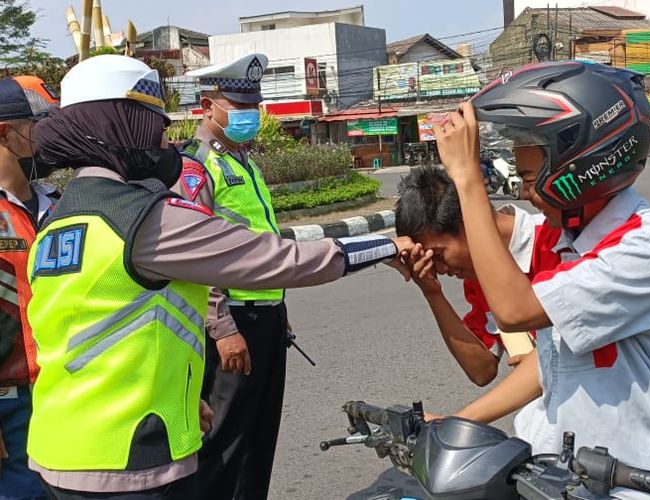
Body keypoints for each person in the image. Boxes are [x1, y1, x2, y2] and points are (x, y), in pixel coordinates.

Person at [25, 54, 412, 500]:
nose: (163, 143)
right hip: (129, 458)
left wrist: (185, 401)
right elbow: (280, 259)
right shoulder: (143, 221)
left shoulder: (59, 216)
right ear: (121, 126)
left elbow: (104, 332)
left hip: (62, 447)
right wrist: (385, 245)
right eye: (153, 129)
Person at [425, 61, 650, 492]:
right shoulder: (565, 239)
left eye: (527, 176)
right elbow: (549, 365)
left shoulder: (645, 246)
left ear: (580, 166)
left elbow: (514, 310)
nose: (522, 193)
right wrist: (460, 422)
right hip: (561, 473)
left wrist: (468, 180)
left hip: (632, 482)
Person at [395, 165, 650, 495]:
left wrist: (460, 422)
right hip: (587, 412)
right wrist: (433, 293)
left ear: (471, 222)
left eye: (439, 254)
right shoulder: (484, 276)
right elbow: (484, 368)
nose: (439, 268)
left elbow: (540, 351)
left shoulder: (562, 242)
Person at [171, 53, 287, 500]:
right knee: (223, 444)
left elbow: (262, 242)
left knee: (260, 438)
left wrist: (280, 308)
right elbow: (197, 254)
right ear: (207, 107)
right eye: (238, 108)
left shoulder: (243, 162)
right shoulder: (197, 166)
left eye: (252, 108)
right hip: (233, 325)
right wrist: (222, 328)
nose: (248, 117)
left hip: (266, 316)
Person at [0, 76, 58, 500]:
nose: (51, 138)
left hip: (63, 392)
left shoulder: (59, 205)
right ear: (5, 132)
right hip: (9, 407)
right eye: (40, 126)